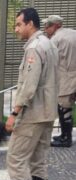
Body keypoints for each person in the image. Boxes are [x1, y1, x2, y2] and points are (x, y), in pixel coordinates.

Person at [5, 8, 59, 180]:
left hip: (33, 113)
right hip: (48, 112)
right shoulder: (49, 43)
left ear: (30, 24)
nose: (16, 29)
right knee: (38, 160)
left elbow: (28, 86)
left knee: (15, 159)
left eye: (19, 24)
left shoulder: (34, 49)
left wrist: (14, 113)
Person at [42, 15, 76, 147]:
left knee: (64, 108)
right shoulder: (73, 33)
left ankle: (66, 138)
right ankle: (64, 135)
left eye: (48, 26)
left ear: (56, 25)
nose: (45, 29)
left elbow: (51, 61)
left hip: (66, 78)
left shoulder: (55, 40)